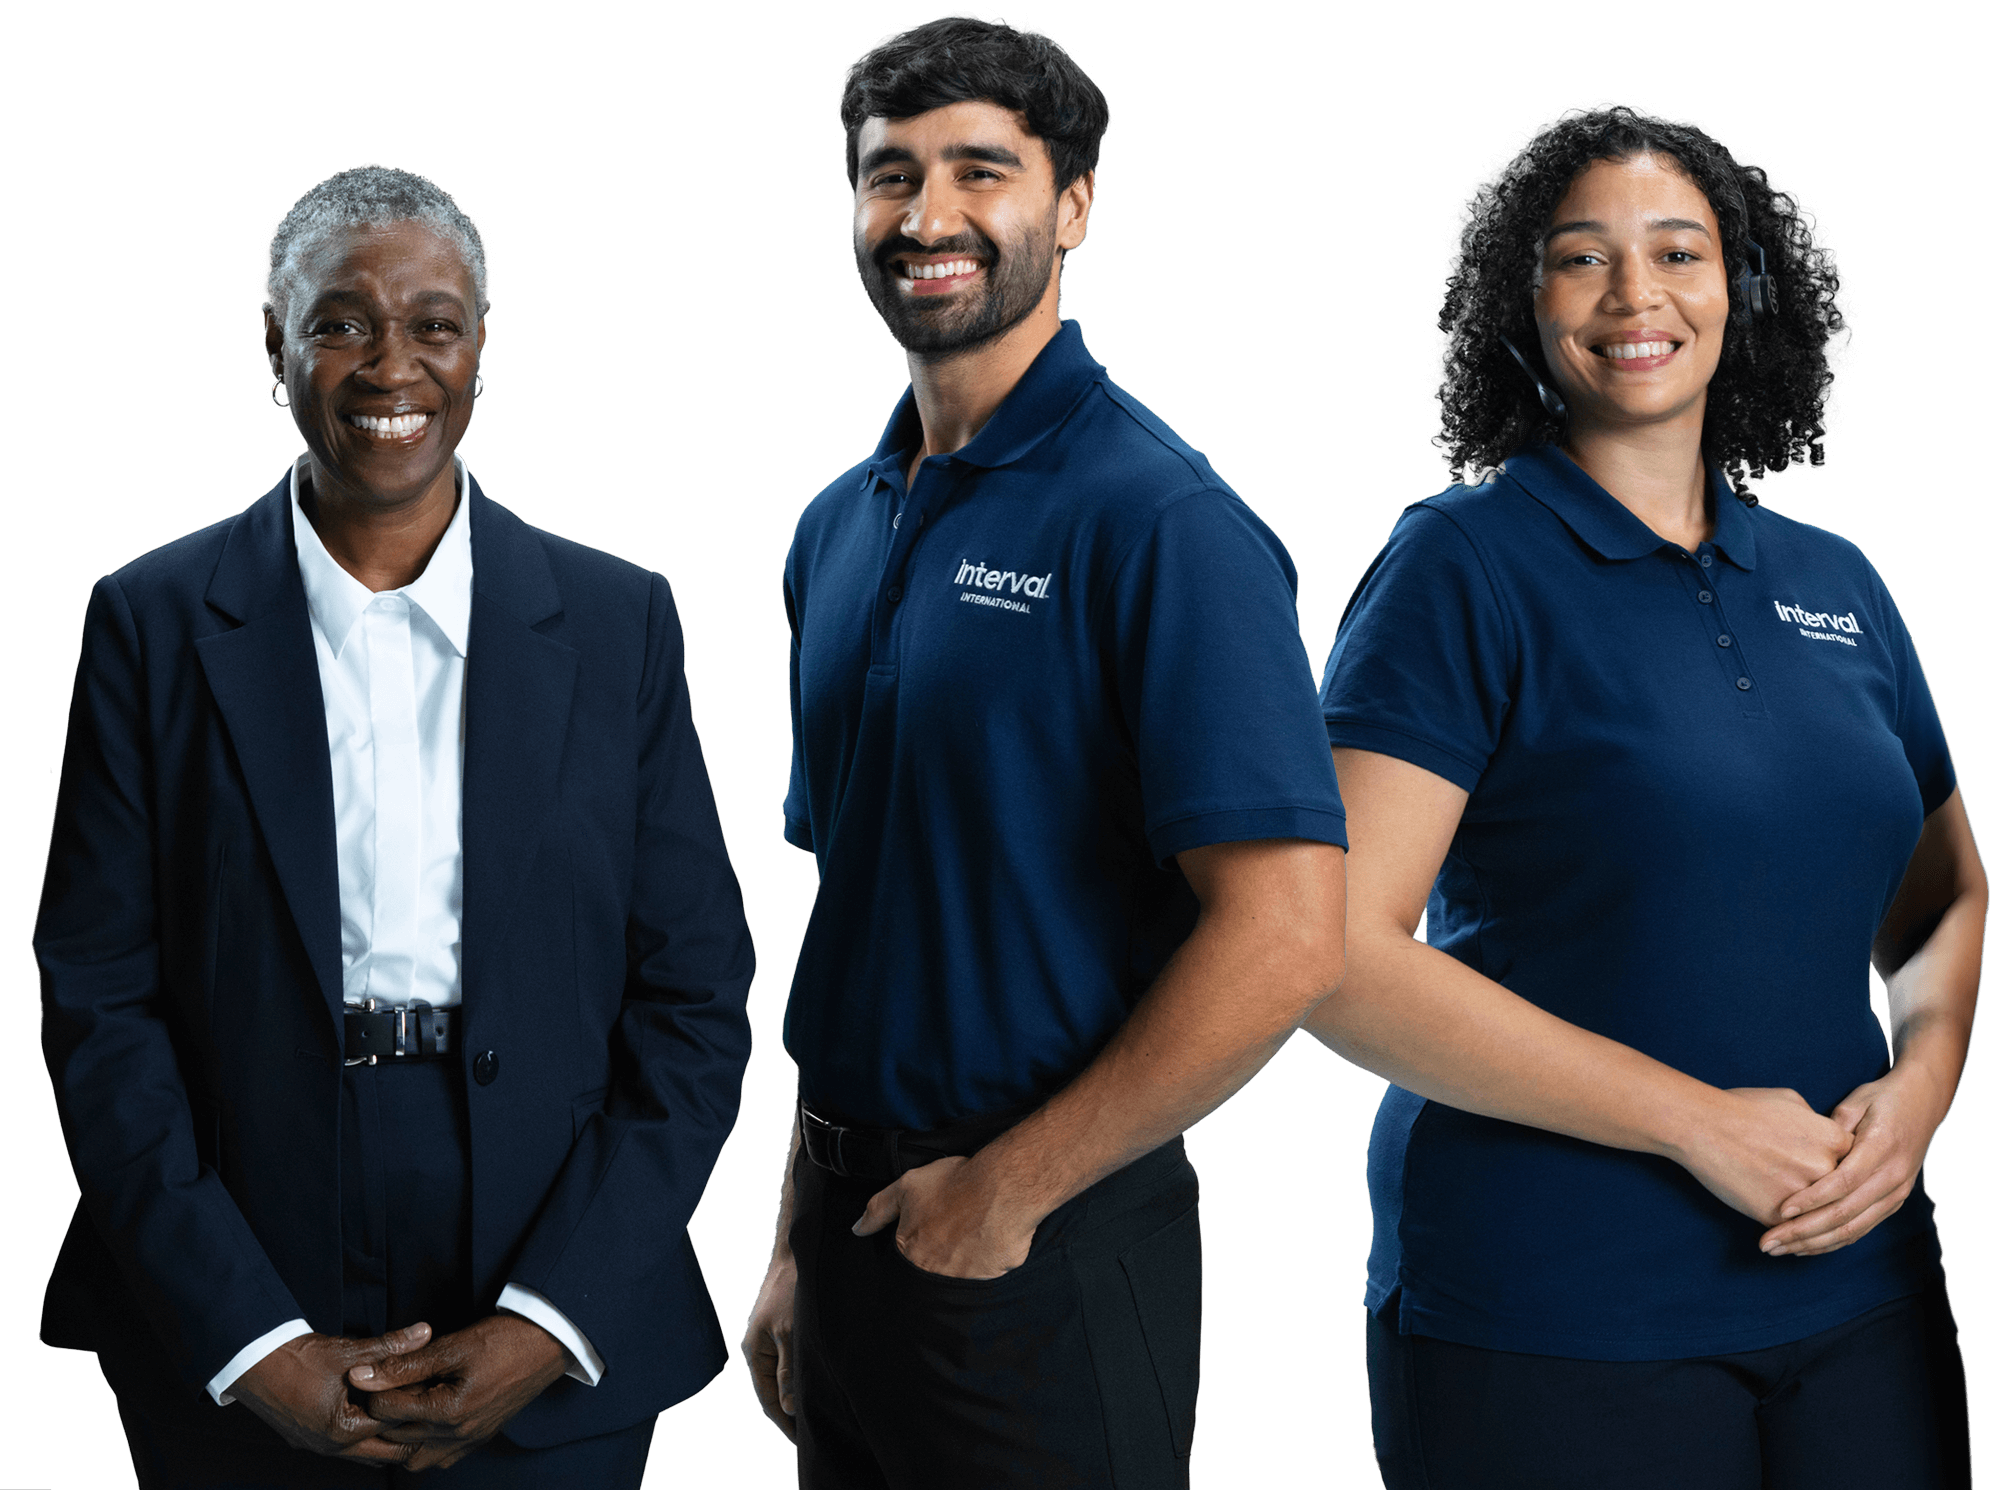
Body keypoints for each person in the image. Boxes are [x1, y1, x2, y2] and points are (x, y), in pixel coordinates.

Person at [35, 163, 756, 1487]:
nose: (392, 363)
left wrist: (551, 1316)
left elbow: (698, 998)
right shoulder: (149, 622)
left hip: (554, 1249)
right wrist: (249, 1337)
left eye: (434, 322)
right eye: (341, 321)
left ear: (482, 351)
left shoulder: (618, 620)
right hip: (240, 1249)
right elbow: (99, 999)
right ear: (275, 343)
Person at [1308, 102, 1981, 1487]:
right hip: (1556, 1309)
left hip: (1861, 1297)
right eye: (1580, 258)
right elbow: (1326, 953)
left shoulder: (1839, 583)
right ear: (1520, 298)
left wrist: (1921, 1085)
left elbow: (1942, 898)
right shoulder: (1459, 568)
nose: (1635, 296)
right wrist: (1696, 1119)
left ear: (1744, 290)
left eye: (1679, 251)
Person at [735, 13, 1347, 1487]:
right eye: (890, 175)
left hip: (1047, 1243)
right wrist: (790, 1237)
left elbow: (1290, 934)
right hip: (846, 1219)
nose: (927, 216)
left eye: (980, 171)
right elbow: (858, 920)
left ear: (1072, 206)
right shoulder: (836, 523)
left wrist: (1012, 1187)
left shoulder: (1164, 522)